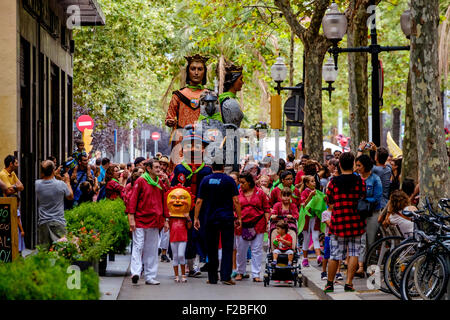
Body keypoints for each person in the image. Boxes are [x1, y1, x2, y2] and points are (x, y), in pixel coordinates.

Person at [171, 127, 213, 276]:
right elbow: (173, 189)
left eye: (198, 146)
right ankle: (187, 265)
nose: (193, 149)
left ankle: (196, 263)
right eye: (189, 146)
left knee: (200, 235)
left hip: (203, 209)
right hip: (183, 208)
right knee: (186, 236)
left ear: (203, 150)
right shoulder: (180, 169)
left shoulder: (207, 170)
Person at [194, 162, 242, 285]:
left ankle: (212, 277)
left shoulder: (206, 180)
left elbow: (199, 201)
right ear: (223, 167)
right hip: (226, 218)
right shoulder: (229, 180)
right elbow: (236, 200)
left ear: (212, 168)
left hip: (210, 218)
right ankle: (226, 277)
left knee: (212, 247)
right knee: (227, 247)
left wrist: (196, 218)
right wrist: (239, 217)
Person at [324, 152, 366, 293]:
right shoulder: (359, 180)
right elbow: (363, 196)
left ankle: (330, 284)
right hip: (356, 223)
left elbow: (329, 200)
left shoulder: (333, 182)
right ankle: (349, 283)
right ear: (353, 164)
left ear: (340, 164)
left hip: (338, 223)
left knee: (334, 255)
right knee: (354, 253)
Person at [127, 158, 169, 285]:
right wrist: (131, 219)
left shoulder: (159, 183)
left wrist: (166, 220)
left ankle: (150, 276)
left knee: (152, 249)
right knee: (138, 246)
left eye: (159, 167)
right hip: (140, 220)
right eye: (156, 167)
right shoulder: (141, 181)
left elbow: (164, 202)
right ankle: (135, 272)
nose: (159, 169)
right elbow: (133, 200)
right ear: (149, 169)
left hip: (155, 221)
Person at [166, 54, 209, 153]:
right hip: (182, 140)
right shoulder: (178, 95)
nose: (196, 73)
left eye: (200, 69)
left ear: (204, 72)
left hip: (203, 141)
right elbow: (169, 117)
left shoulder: (211, 95)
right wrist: (170, 121)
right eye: (193, 69)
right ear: (187, 71)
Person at [235, 171, 270, 282]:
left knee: (256, 250)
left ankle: (256, 274)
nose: (241, 185)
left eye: (243, 182)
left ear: (250, 182)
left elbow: (266, 209)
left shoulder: (260, 193)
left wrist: (267, 222)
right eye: (240, 182)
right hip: (241, 224)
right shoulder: (237, 193)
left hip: (258, 224)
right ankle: (240, 272)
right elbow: (233, 208)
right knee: (241, 249)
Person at [354, 154, 383, 276]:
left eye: (359, 165)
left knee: (371, 241)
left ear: (365, 166)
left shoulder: (375, 179)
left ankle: (370, 267)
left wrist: (364, 199)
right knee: (360, 241)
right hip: (358, 214)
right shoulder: (355, 178)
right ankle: (360, 266)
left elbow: (377, 197)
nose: (357, 168)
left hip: (372, 213)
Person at [35, 160, 73, 249]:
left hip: (43, 222)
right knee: (61, 250)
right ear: (53, 170)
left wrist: (54, 174)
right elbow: (70, 196)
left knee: (44, 251)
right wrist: (67, 182)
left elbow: (45, 178)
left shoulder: (37, 184)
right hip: (58, 222)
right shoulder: (61, 184)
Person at [299, 175, 322, 267]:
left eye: (314, 181)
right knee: (306, 238)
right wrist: (310, 196)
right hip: (306, 218)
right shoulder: (305, 192)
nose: (314, 183)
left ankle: (319, 256)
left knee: (316, 237)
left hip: (315, 218)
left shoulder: (317, 192)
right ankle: (305, 258)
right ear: (307, 184)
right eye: (312, 181)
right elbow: (304, 205)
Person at [218, 61, 245, 128]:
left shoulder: (223, 99)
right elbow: (232, 131)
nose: (243, 82)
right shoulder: (230, 103)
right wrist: (251, 132)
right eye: (240, 79)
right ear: (233, 80)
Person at [169, 210, 192, 283]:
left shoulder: (185, 214)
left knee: (181, 255)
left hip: (183, 238)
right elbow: (167, 225)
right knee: (175, 256)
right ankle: (176, 276)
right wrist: (167, 217)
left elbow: (189, 226)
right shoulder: (171, 215)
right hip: (173, 237)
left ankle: (183, 275)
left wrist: (188, 217)